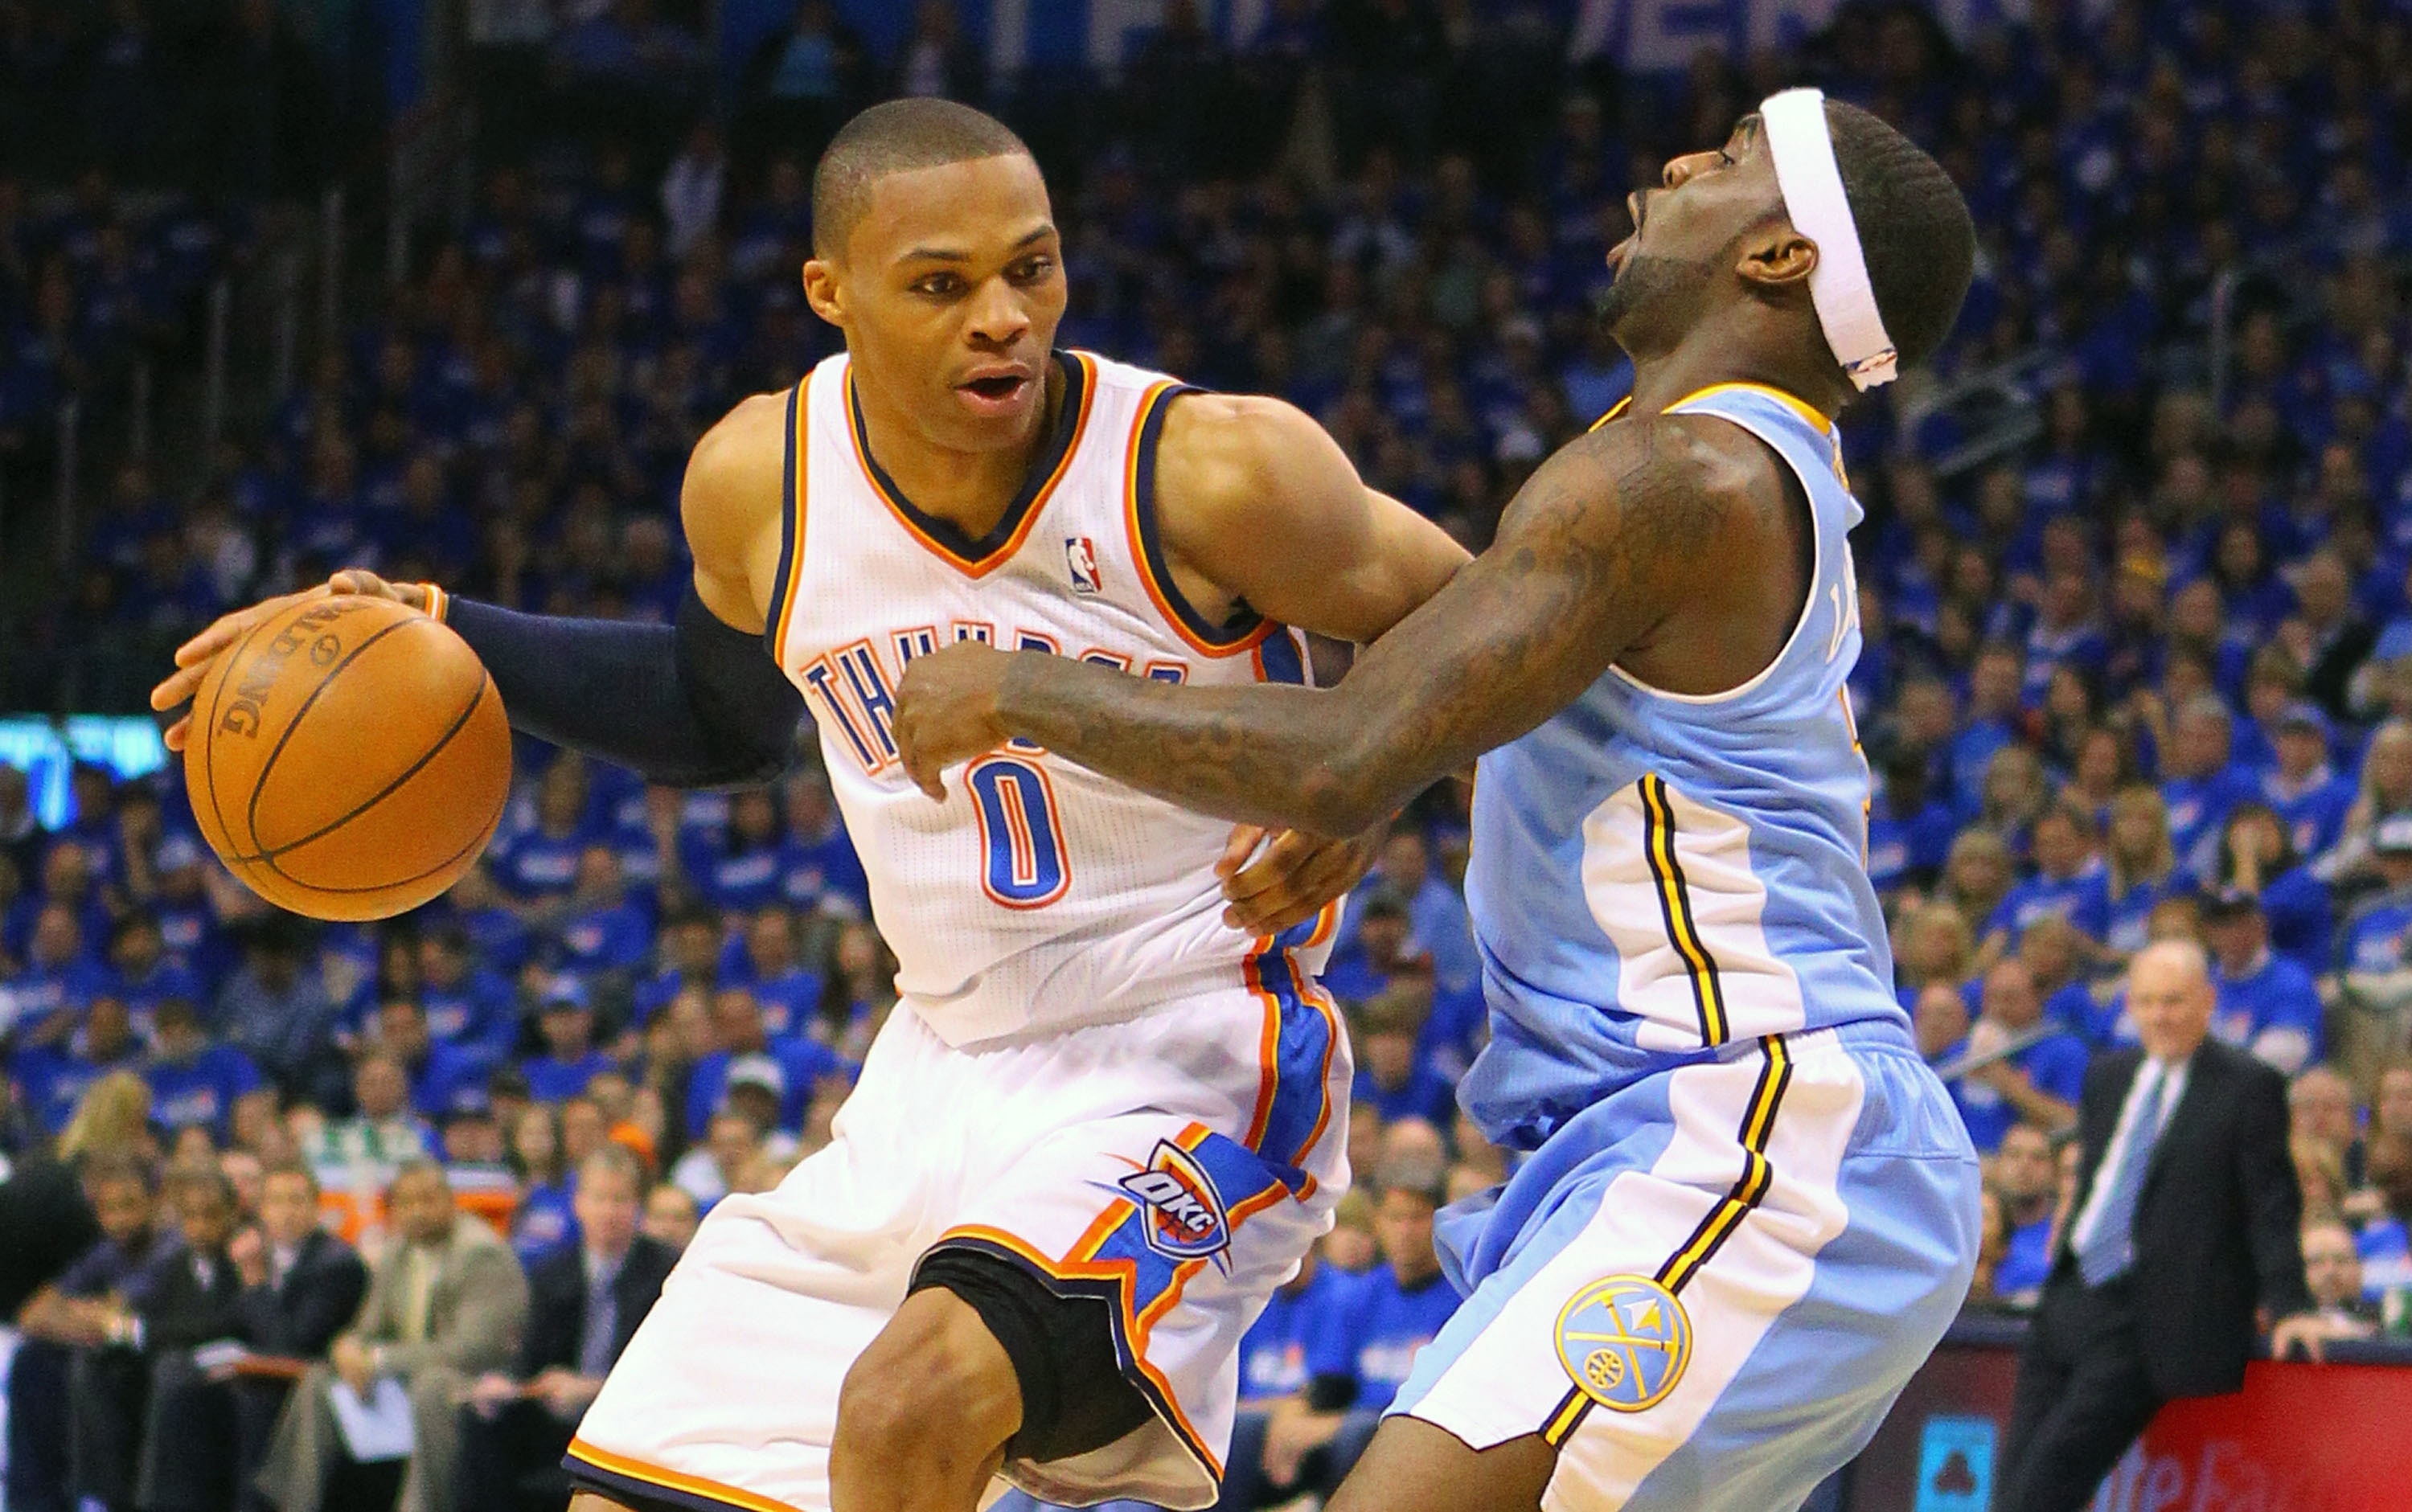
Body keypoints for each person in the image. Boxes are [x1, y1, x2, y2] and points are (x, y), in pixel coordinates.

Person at [157, 96, 1466, 1512]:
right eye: (943, 284)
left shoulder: (1206, 469)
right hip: (929, 1076)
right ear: (830, 295)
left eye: (1033, 269)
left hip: (1193, 1046)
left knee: (910, 1407)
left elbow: (1474, 610)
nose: (1004, 319)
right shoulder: (759, 482)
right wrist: (440, 624)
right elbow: (721, 722)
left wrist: (1373, 771)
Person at [895, 90, 1985, 1512]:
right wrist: (1388, 777)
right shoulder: (1702, 471)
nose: (1673, 167)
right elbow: (1419, 723)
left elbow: (1350, 743)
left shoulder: (1683, 475)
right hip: (1673, 1143)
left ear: (1779, 255)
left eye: (1723, 163)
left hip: (1753, 1127)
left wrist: (1017, 689)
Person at [1995, 940, 2328, 1512]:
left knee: (2046, 1485)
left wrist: (2291, 1303)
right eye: (2146, 1002)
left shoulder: (2249, 1085)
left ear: (2207, 1001)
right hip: (2070, 1300)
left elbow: (2272, 1205)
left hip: (2151, 1319)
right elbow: (2102, 1176)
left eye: (2173, 1001)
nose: (2159, 1016)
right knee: (2010, 1486)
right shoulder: (2107, 1076)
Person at [255, 1161, 531, 1512]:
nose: (418, 1212)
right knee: (319, 1380)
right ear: (394, 1209)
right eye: (407, 1203)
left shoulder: (480, 1253)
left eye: (428, 1200)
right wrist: (348, 1347)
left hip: (477, 1382)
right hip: (404, 1378)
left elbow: (473, 1349)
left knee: (431, 1387)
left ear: (451, 1201)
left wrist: (379, 1361)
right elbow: (369, 1329)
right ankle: (295, 1505)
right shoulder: (397, 1252)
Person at [457, 1148, 679, 1512]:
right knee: (481, 1420)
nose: (609, 1212)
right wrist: (508, 1385)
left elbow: (667, 1375)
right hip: (555, 1418)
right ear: (579, 1204)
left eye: (620, 1200)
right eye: (599, 1199)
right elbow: (529, 1361)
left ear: (637, 1208)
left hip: (632, 1418)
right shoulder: (552, 1273)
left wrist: (590, 1389)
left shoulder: (665, 1272)